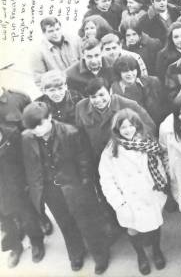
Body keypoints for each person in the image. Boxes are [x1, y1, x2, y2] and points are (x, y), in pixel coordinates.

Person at [21, 102, 111, 274]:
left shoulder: (71, 132)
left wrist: (85, 185)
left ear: (49, 118)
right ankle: (76, 253)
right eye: (31, 128)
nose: (36, 131)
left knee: (87, 223)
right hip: (50, 190)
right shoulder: (27, 137)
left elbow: (84, 161)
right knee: (65, 223)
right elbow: (30, 165)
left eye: (38, 125)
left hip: (75, 187)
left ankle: (100, 255)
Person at [99, 108, 168, 276]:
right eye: (123, 128)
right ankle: (141, 255)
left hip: (150, 194)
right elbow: (107, 180)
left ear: (137, 126)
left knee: (154, 224)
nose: (128, 130)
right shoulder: (110, 151)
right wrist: (119, 203)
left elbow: (158, 166)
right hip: (129, 200)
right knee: (133, 228)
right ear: (117, 130)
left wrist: (160, 189)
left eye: (131, 126)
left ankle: (156, 250)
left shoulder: (147, 144)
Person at [75, 77, 156, 165]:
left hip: (127, 159)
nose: (98, 100)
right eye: (93, 97)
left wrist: (130, 144)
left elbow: (149, 127)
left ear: (110, 91)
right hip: (99, 160)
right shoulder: (81, 107)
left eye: (101, 95)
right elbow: (81, 135)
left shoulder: (129, 105)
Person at [0, 125, 45, 268]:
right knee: (5, 222)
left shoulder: (12, 134)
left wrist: (27, 183)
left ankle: (36, 243)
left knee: (28, 217)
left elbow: (24, 160)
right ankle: (14, 247)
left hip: (17, 186)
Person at [111, 55, 167, 125]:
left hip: (159, 125)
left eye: (132, 70)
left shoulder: (153, 82)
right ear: (119, 73)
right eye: (125, 71)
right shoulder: (115, 91)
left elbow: (165, 107)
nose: (130, 74)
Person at [31, 17, 81, 87]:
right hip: (62, 89)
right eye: (51, 31)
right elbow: (39, 80)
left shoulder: (76, 40)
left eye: (57, 29)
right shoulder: (38, 53)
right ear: (44, 33)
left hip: (83, 83)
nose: (56, 33)